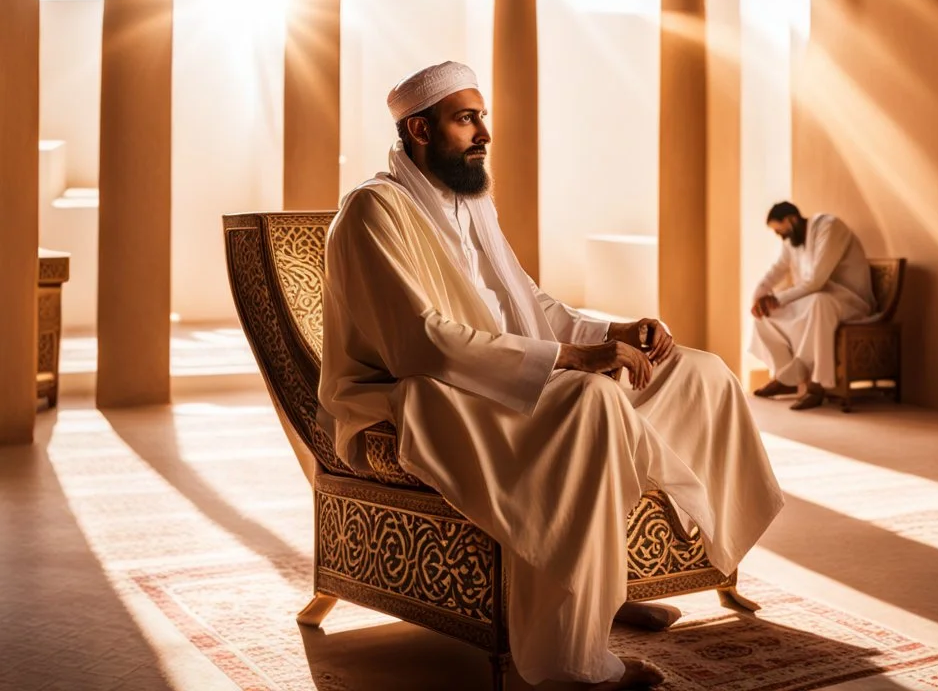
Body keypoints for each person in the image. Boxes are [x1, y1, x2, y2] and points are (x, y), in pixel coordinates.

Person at [319, 61, 784, 689]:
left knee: (699, 373)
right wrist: (573, 360)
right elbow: (420, 343)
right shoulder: (374, 211)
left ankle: (619, 584)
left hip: (504, 373)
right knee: (592, 401)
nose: (484, 132)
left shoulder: (467, 203)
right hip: (422, 394)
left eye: (482, 116)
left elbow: (529, 307)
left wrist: (609, 334)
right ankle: (572, 661)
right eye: (466, 118)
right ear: (420, 130)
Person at [749, 201, 876, 411]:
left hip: (850, 301)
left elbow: (817, 281)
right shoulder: (793, 241)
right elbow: (777, 269)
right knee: (765, 316)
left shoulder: (830, 227)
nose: (781, 237)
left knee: (818, 303)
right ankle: (787, 378)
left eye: (781, 231)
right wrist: (758, 300)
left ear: (792, 219)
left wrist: (777, 298)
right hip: (820, 300)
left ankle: (818, 385)